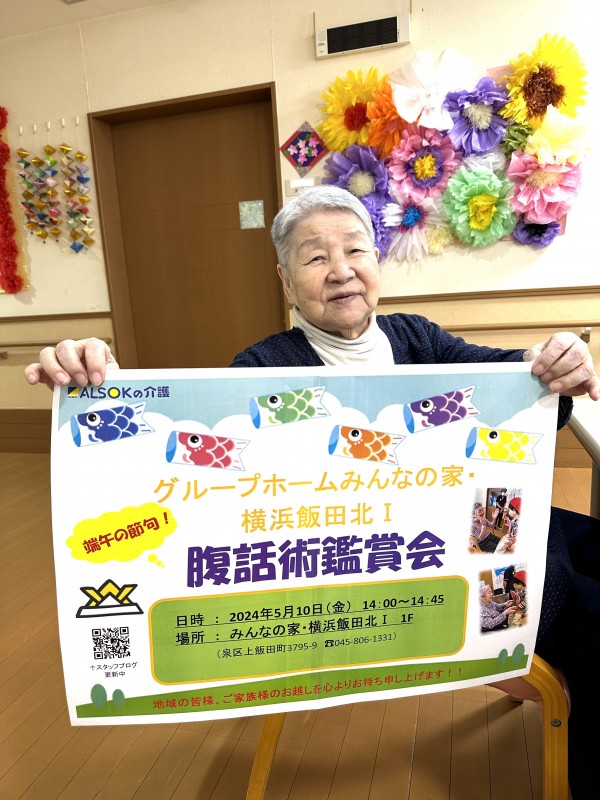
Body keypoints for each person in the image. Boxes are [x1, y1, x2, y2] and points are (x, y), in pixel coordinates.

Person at [23, 185, 600, 800]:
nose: (341, 270)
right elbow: (204, 481)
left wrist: (550, 364)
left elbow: (511, 383)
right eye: (315, 257)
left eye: (355, 249)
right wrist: (93, 384)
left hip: (484, 530)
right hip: (412, 579)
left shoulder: (417, 338)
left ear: (376, 260)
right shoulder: (264, 369)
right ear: (286, 280)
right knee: (592, 625)